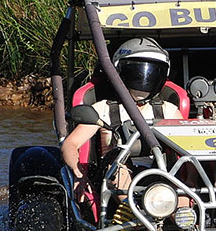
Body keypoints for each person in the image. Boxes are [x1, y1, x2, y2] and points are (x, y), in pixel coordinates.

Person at [61, 37, 183, 203]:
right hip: (114, 177)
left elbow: (187, 152)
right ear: (119, 73)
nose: (143, 80)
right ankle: (132, 215)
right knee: (119, 168)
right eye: (137, 73)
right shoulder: (103, 109)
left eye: (151, 73)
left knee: (179, 183)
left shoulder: (168, 111)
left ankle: (185, 220)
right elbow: (70, 144)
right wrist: (78, 173)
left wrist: (189, 180)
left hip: (161, 176)